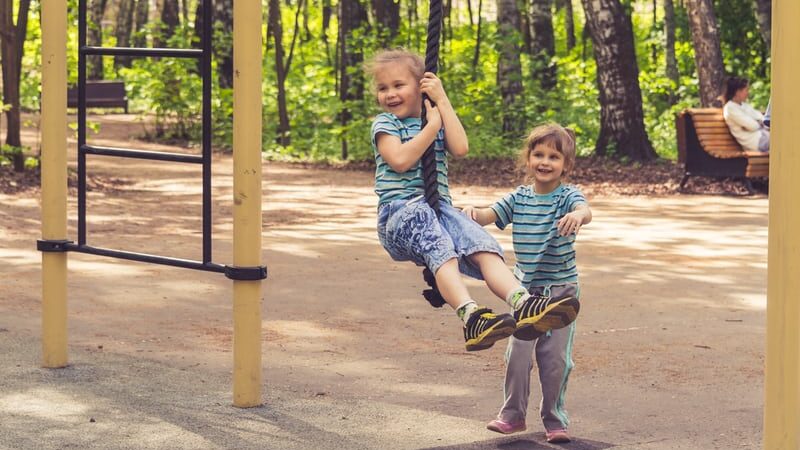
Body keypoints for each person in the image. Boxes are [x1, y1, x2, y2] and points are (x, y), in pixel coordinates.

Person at [365, 49, 579, 352]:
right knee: (442, 248)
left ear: (422, 86)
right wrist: (431, 128)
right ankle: (470, 315)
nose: (390, 94)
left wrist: (442, 101)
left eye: (398, 85)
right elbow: (399, 160)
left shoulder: (434, 118)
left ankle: (524, 303)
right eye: (383, 88)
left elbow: (461, 147)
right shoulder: (386, 124)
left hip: (437, 210)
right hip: (400, 213)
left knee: (482, 244)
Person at [462, 124, 591, 444]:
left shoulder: (567, 197)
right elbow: (488, 215)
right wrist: (468, 213)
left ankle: (554, 418)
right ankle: (512, 415)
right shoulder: (519, 197)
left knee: (555, 361)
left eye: (554, 156)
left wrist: (579, 215)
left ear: (566, 166)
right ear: (528, 158)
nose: (545, 162)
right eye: (538, 154)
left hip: (561, 293)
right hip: (525, 294)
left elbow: (584, 209)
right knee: (517, 356)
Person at [722, 76, 769, 152]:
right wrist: (758, 123)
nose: (748, 93)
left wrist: (758, 123)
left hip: (763, 135)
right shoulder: (730, 108)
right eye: (746, 90)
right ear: (738, 92)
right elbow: (753, 126)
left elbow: (762, 118)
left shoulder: (744, 105)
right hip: (756, 142)